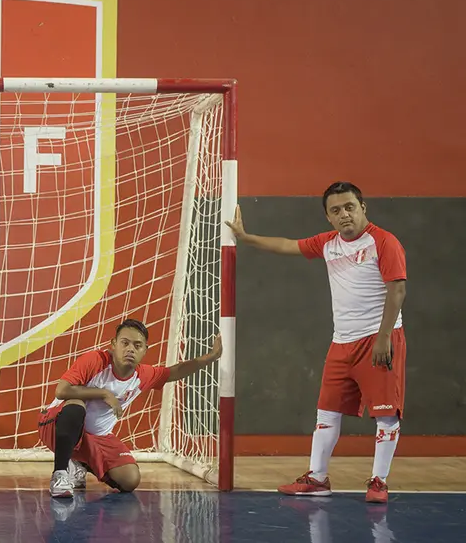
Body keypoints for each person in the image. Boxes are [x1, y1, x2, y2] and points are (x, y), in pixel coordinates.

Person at [225, 181, 407, 504]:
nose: (344, 215)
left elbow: (397, 291)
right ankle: (318, 478)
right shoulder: (328, 244)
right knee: (326, 412)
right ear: (328, 217)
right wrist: (246, 237)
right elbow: (286, 245)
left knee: (386, 415)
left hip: (378, 338)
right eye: (335, 211)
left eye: (350, 207)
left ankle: (379, 482)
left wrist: (383, 337)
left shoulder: (384, 242)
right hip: (342, 343)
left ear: (363, 208)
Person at [39, 319, 222, 498]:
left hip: (96, 438)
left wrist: (212, 356)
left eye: (137, 345)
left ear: (144, 350)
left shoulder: (143, 375)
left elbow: (177, 370)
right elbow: (62, 390)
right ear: (113, 344)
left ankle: (79, 463)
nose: (130, 349)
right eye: (125, 343)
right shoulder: (95, 360)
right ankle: (60, 475)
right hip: (55, 426)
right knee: (76, 406)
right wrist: (103, 393)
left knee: (130, 479)